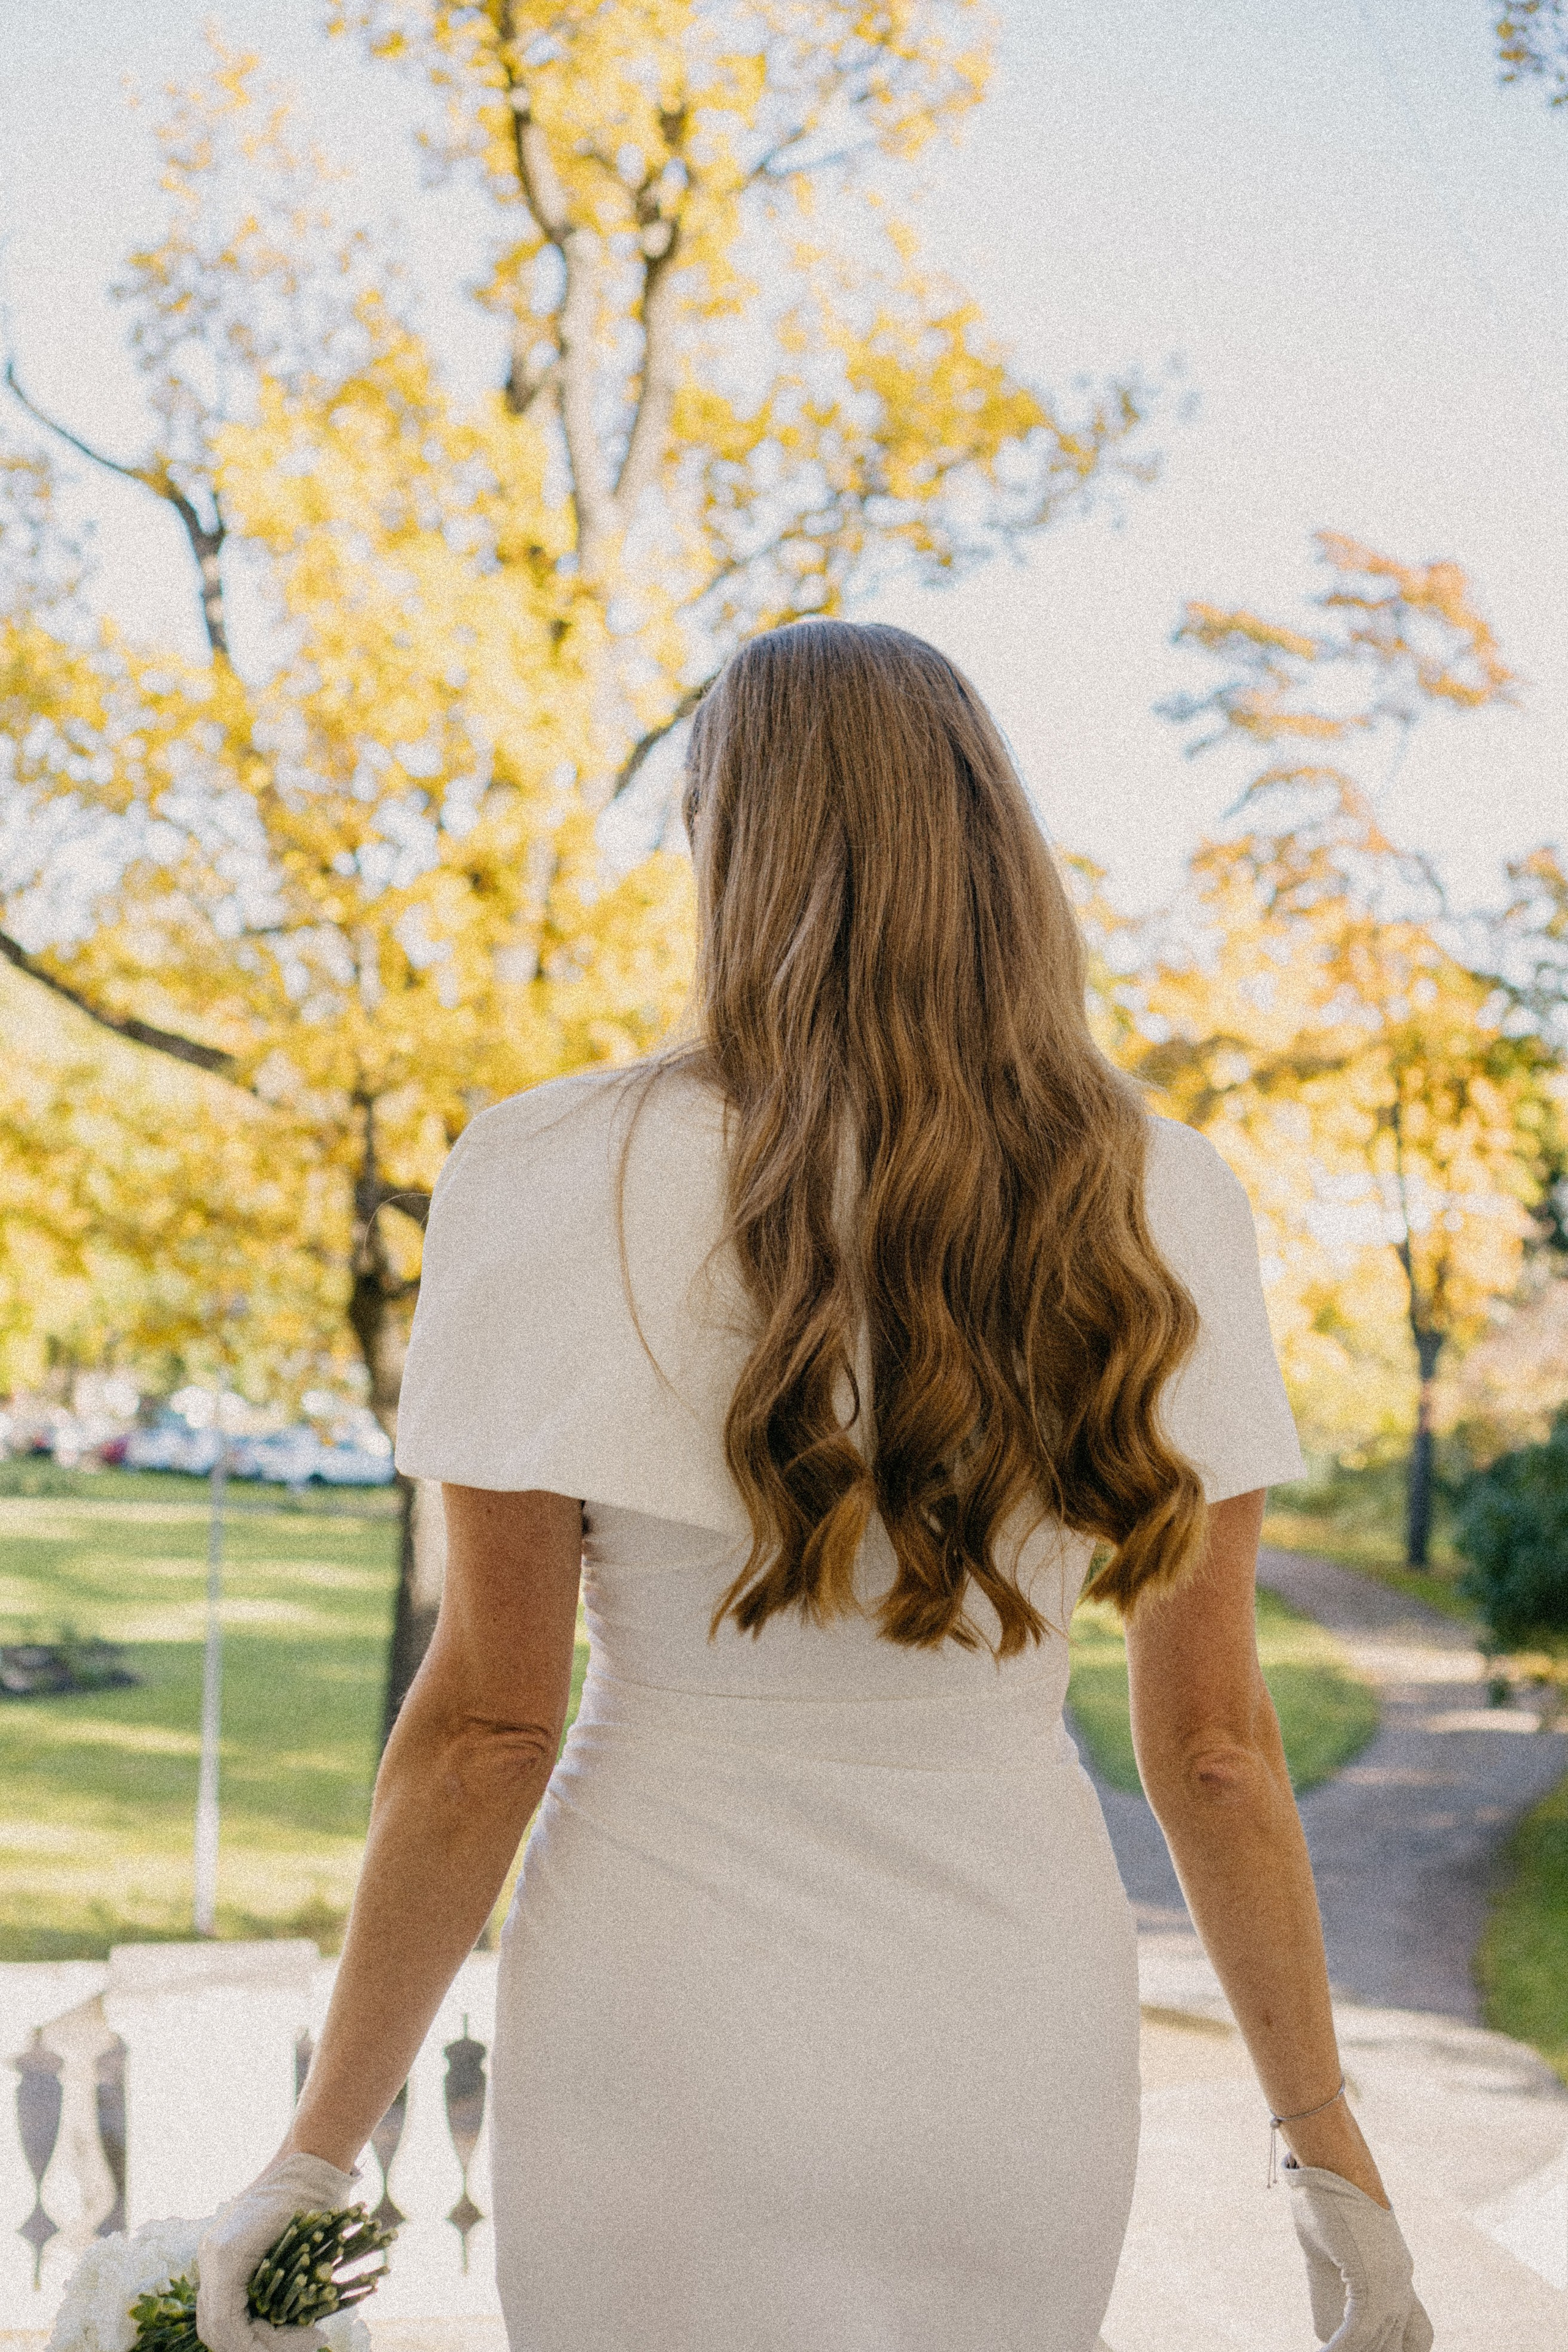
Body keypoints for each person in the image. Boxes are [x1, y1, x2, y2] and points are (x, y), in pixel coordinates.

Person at [197, 620, 1432, 2352]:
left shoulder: (543, 1170)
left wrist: (315, 2155)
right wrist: (1330, 2157)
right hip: (1009, 2026)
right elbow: (1216, 1748)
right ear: (995, 850)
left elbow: (488, 1730)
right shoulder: (1165, 1195)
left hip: (657, 2008)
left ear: (728, 850)